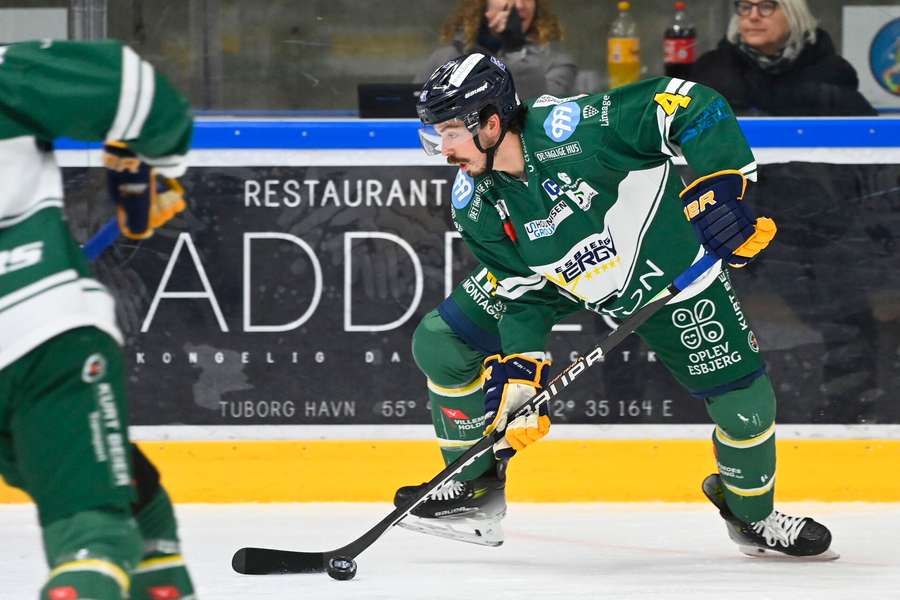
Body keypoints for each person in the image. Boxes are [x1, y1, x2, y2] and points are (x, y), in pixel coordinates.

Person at [395, 51, 838, 559]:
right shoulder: (474, 200)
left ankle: (752, 517)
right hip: (562, 280)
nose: (441, 149)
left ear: (492, 123)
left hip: (670, 274)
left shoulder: (577, 130)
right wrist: (524, 364)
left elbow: (690, 103)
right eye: (435, 134)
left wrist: (721, 183)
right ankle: (474, 492)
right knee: (441, 341)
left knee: (746, 405)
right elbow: (520, 286)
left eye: (450, 131)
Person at [0, 40, 197, 599]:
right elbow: (142, 94)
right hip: (33, 329)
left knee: (138, 504)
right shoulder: (8, 73)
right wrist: (158, 168)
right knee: (94, 528)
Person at [689, 0, 876, 116]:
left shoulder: (832, 72)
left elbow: (868, 142)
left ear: (793, 14)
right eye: (746, 7)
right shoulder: (710, 70)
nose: (753, 16)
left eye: (766, 6)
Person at [415, 0, 576, 99]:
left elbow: (539, 108)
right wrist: (483, 47)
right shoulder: (447, 57)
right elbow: (416, 107)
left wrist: (514, 48)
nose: (519, 5)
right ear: (483, 5)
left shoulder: (556, 62)